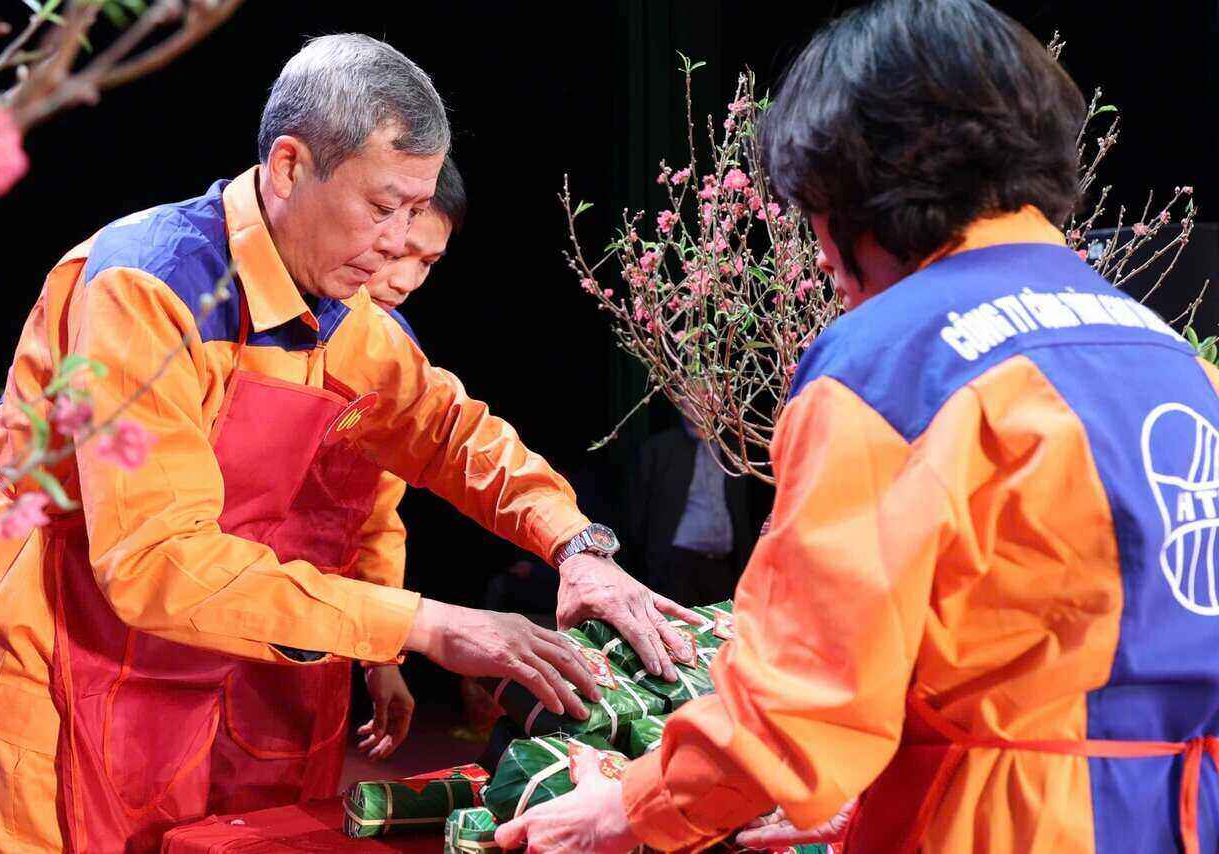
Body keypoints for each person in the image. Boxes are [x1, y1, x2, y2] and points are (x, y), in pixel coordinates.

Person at [0, 35, 698, 852]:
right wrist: (428, 626)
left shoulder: (356, 319)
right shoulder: (146, 287)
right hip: (57, 673)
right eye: (384, 208)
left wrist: (577, 545)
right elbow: (155, 561)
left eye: (417, 215)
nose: (397, 246)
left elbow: (450, 433)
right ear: (291, 166)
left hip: (228, 687)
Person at [495, 1, 1219, 852]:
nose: (823, 260)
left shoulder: (893, 362)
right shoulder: (1171, 353)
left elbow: (800, 696)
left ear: (849, 185)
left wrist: (627, 811)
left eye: (807, 208)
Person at [347, 155, 466, 761]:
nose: (407, 280)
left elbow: (376, 514)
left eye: (427, 262)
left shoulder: (396, 351)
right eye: (397, 255)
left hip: (305, 640)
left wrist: (381, 655)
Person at [626, 408, 760, 606]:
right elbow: (637, 515)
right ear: (678, 400)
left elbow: (743, 511)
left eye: (709, 392)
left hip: (724, 566)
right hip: (677, 566)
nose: (703, 400)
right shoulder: (660, 449)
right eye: (695, 390)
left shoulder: (732, 450)